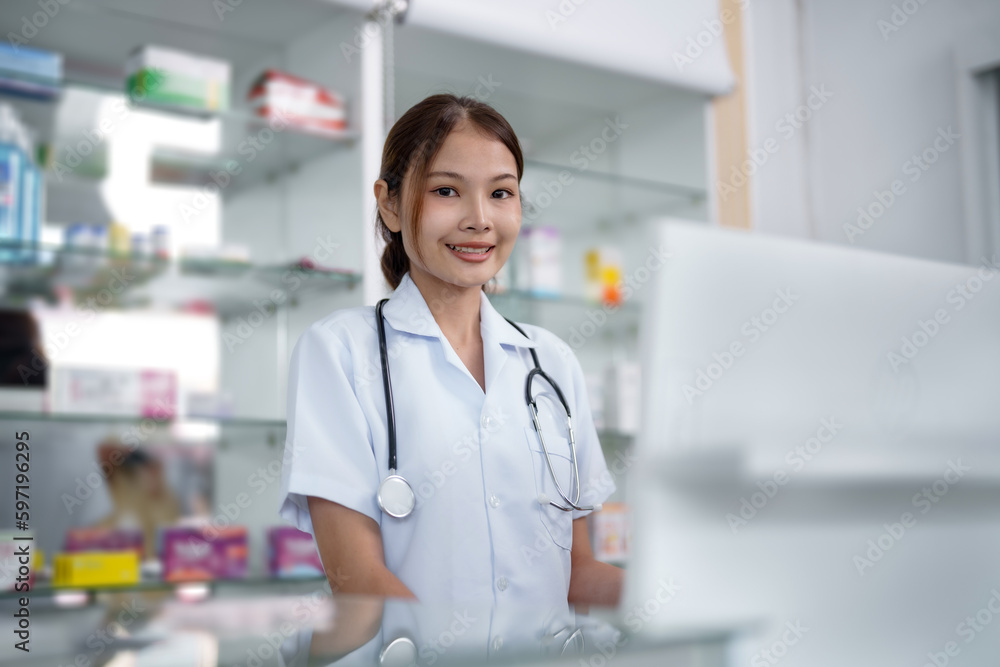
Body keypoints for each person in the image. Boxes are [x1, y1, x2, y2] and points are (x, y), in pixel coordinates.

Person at [278, 94, 622, 609]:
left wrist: (674, 595)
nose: (480, 219)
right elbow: (359, 581)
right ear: (390, 204)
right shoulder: (339, 352)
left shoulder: (550, 362)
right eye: (446, 191)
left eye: (501, 194)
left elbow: (576, 572)